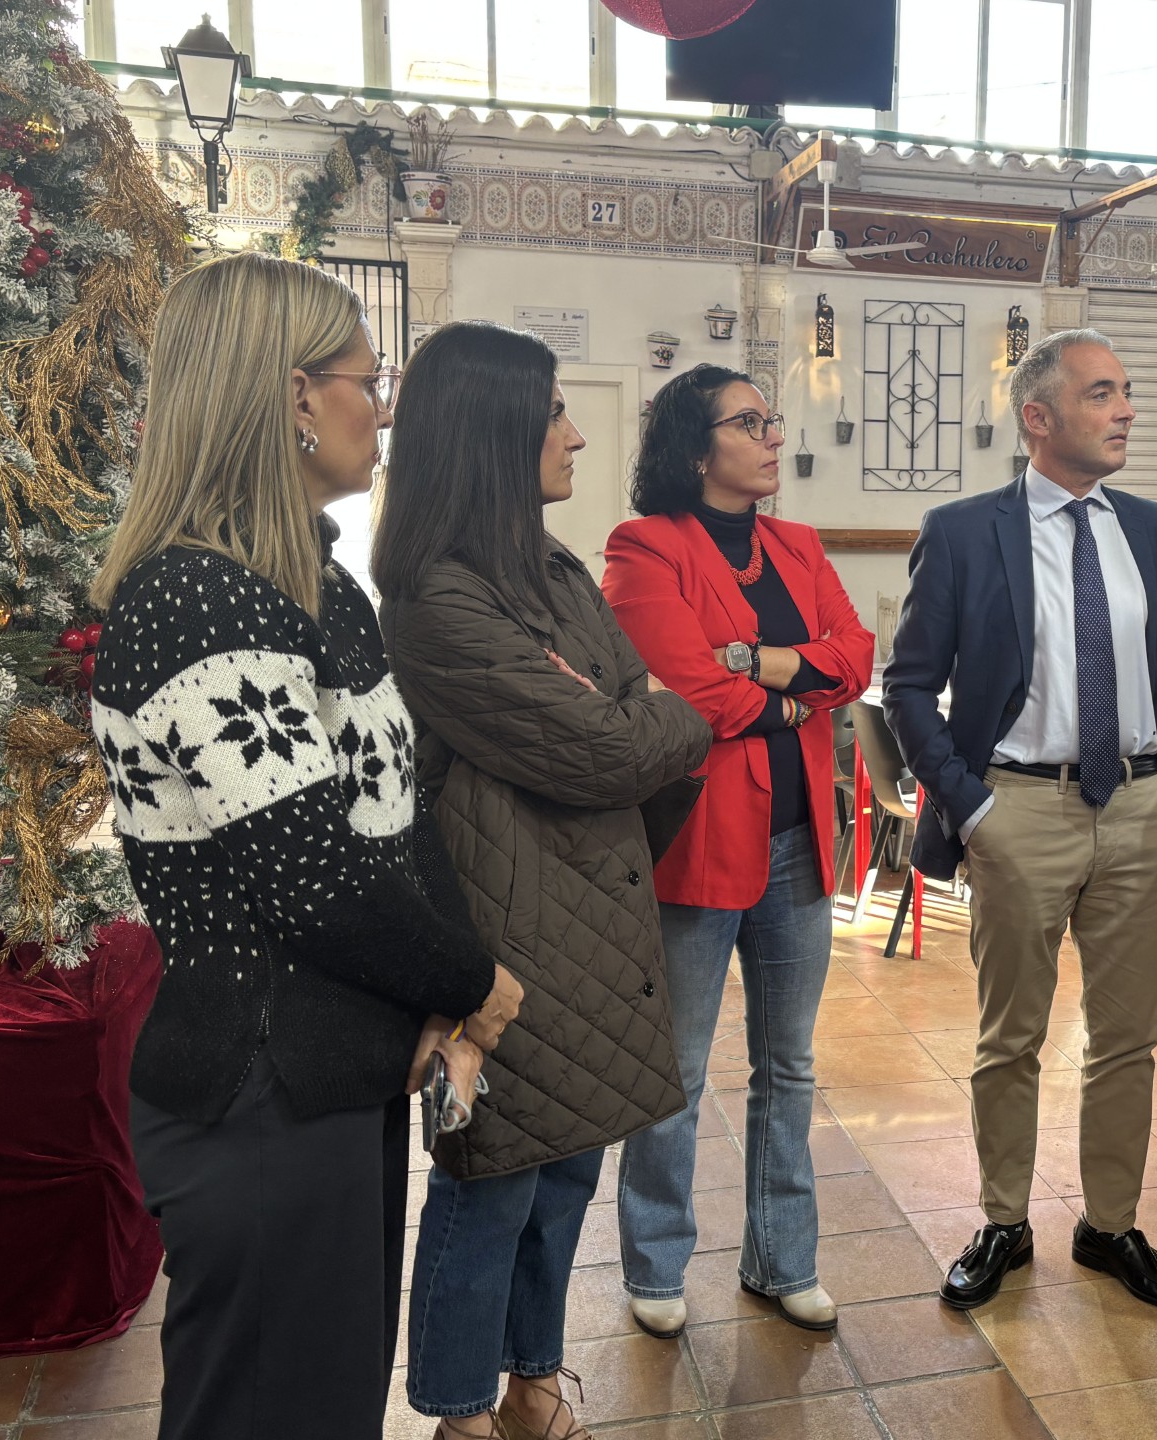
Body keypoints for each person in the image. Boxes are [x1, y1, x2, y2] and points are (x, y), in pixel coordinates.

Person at [88, 251, 524, 1440]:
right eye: (364, 379)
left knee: (326, 1407)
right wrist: (474, 986)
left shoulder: (312, 586)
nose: (381, 407)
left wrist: (440, 994)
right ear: (290, 396)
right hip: (257, 1093)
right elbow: (313, 879)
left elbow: (395, 813)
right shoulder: (199, 599)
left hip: (334, 1072)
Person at [374, 323, 713, 1440]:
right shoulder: (437, 600)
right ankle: (462, 1413)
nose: (575, 434)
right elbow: (620, 745)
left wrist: (638, 723)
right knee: (491, 1187)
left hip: (598, 921)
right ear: (493, 434)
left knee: (567, 1179)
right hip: (508, 937)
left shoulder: (556, 570)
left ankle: (532, 1381)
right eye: (555, 413)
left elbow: (654, 718)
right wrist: (638, 725)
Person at [882, 327, 1157, 1313]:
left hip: (1141, 809)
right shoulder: (966, 531)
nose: (1127, 411)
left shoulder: (1154, 529)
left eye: (1127, 391)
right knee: (1009, 1037)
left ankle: (1111, 1226)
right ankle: (1003, 1221)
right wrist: (972, 804)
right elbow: (906, 688)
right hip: (1018, 807)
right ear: (1040, 417)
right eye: (1104, 394)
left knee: (1127, 1039)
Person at [601, 365, 875, 1338]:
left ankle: (781, 1259)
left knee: (788, 1067)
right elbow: (685, 695)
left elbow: (860, 654)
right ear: (693, 446)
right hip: (699, 848)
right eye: (747, 421)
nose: (770, 436)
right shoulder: (645, 548)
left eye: (771, 419)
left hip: (800, 843)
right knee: (672, 1071)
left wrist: (760, 665)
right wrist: (801, 693)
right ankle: (657, 1263)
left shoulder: (798, 547)